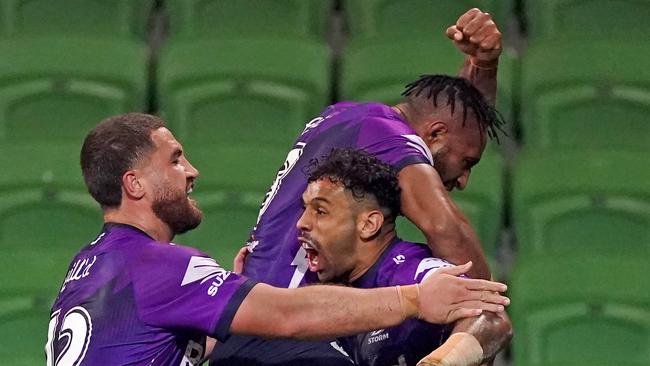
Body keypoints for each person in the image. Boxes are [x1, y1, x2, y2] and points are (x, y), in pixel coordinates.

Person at [45, 113, 509, 365]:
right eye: (175, 160)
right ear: (135, 185)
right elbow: (286, 315)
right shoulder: (160, 266)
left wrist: (234, 298)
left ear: (369, 223)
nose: (192, 172)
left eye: (321, 210)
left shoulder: (85, 270)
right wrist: (414, 300)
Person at [211, 8, 507, 365]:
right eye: (467, 163)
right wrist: (483, 299)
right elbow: (445, 227)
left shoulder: (344, 118)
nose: (462, 180)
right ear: (435, 135)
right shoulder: (390, 135)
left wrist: (483, 67)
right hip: (300, 336)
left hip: (242, 333)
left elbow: (461, 115)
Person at [295, 148, 512, 366]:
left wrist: (440, 362)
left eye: (320, 211)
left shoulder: (411, 269)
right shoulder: (328, 288)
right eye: (304, 209)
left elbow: (490, 318)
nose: (302, 223)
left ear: (369, 225)